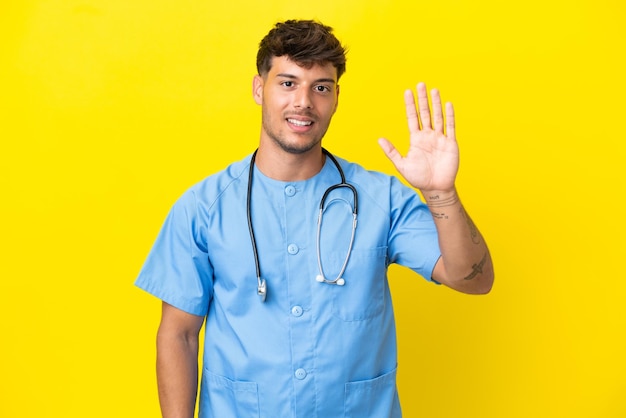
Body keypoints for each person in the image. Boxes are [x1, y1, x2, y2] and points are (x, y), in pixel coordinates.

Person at [135, 19, 494, 418]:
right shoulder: (203, 207)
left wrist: (441, 193)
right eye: (288, 83)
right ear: (259, 89)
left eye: (320, 87)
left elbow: (474, 279)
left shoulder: (381, 200)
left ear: (336, 97)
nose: (303, 101)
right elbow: (179, 336)